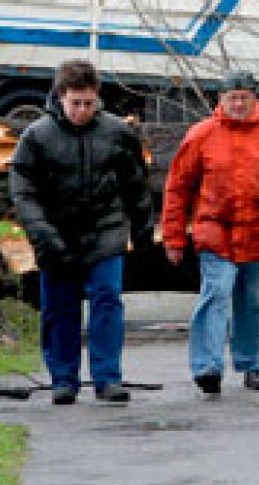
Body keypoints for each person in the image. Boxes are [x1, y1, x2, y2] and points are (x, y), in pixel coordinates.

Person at [10, 59, 153, 404]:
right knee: (60, 307)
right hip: (56, 234)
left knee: (106, 301)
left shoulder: (117, 133)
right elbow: (23, 191)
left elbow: (136, 185)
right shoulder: (37, 136)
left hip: (106, 231)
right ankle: (64, 378)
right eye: (76, 103)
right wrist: (41, 233)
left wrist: (143, 230)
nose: (82, 110)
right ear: (60, 97)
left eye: (89, 103)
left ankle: (107, 377)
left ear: (97, 98)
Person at [161, 70, 259, 396]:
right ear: (221, 100)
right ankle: (208, 366)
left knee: (254, 302)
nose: (238, 103)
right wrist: (173, 237)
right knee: (216, 292)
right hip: (216, 231)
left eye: (244, 97)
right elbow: (177, 189)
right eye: (232, 98)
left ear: (255, 100)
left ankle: (251, 364)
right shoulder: (201, 135)